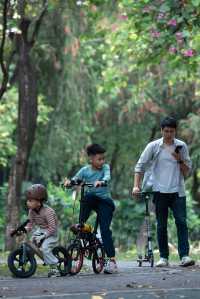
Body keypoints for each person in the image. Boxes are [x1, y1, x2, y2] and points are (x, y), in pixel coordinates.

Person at [132, 116, 195, 267]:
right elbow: (139, 166)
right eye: (166, 131)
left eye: (171, 131)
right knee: (161, 224)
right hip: (159, 190)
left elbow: (187, 172)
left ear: (175, 131)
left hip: (177, 191)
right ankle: (164, 257)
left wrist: (179, 159)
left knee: (181, 222)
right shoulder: (154, 146)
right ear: (161, 131)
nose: (168, 134)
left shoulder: (181, 146)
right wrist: (136, 186)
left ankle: (184, 256)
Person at [64, 143, 118, 274]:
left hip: (105, 202)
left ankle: (112, 261)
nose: (102, 161)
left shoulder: (105, 168)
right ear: (91, 159)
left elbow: (107, 177)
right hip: (92, 199)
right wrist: (69, 183)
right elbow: (76, 178)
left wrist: (102, 181)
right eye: (99, 159)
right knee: (86, 197)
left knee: (105, 230)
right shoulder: (85, 170)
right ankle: (82, 226)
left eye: (103, 158)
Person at [25, 184, 60, 277]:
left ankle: (54, 268)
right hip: (41, 230)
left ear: (39, 202)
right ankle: (32, 261)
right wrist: (25, 229)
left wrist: (44, 236)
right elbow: (30, 224)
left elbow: (53, 228)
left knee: (45, 248)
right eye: (27, 200)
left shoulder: (48, 212)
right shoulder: (31, 211)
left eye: (30, 200)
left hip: (52, 232)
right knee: (31, 242)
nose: (27, 202)